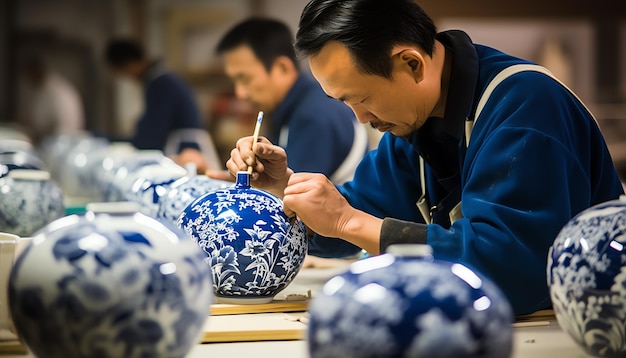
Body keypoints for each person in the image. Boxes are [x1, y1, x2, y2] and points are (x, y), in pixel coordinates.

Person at [225, 0, 624, 315]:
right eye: (344, 102)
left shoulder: (526, 107)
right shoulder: (414, 123)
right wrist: (282, 193)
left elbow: (509, 269)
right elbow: (351, 216)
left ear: (412, 64)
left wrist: (349, 221)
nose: (361, 118)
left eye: (361, 99)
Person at [214, 18, 368, 184]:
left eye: (245, 79)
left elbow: (292, 199)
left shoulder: (314, 115)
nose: (240, 93)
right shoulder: (293, 107)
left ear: (282, 68)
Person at [104, 38, 219, 173]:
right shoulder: (162, 79)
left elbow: (151, 137)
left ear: (129, 64)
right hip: (185, 149)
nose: (126, 77)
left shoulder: (161, 84)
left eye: (122, 72)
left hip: (186, 153)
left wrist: (113, 140)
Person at [18, 54, 84, 145]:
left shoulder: (49, 89)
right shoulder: (56, 85)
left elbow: (36, 123)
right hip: (69, 140)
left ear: (36, 70)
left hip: (59, 142)